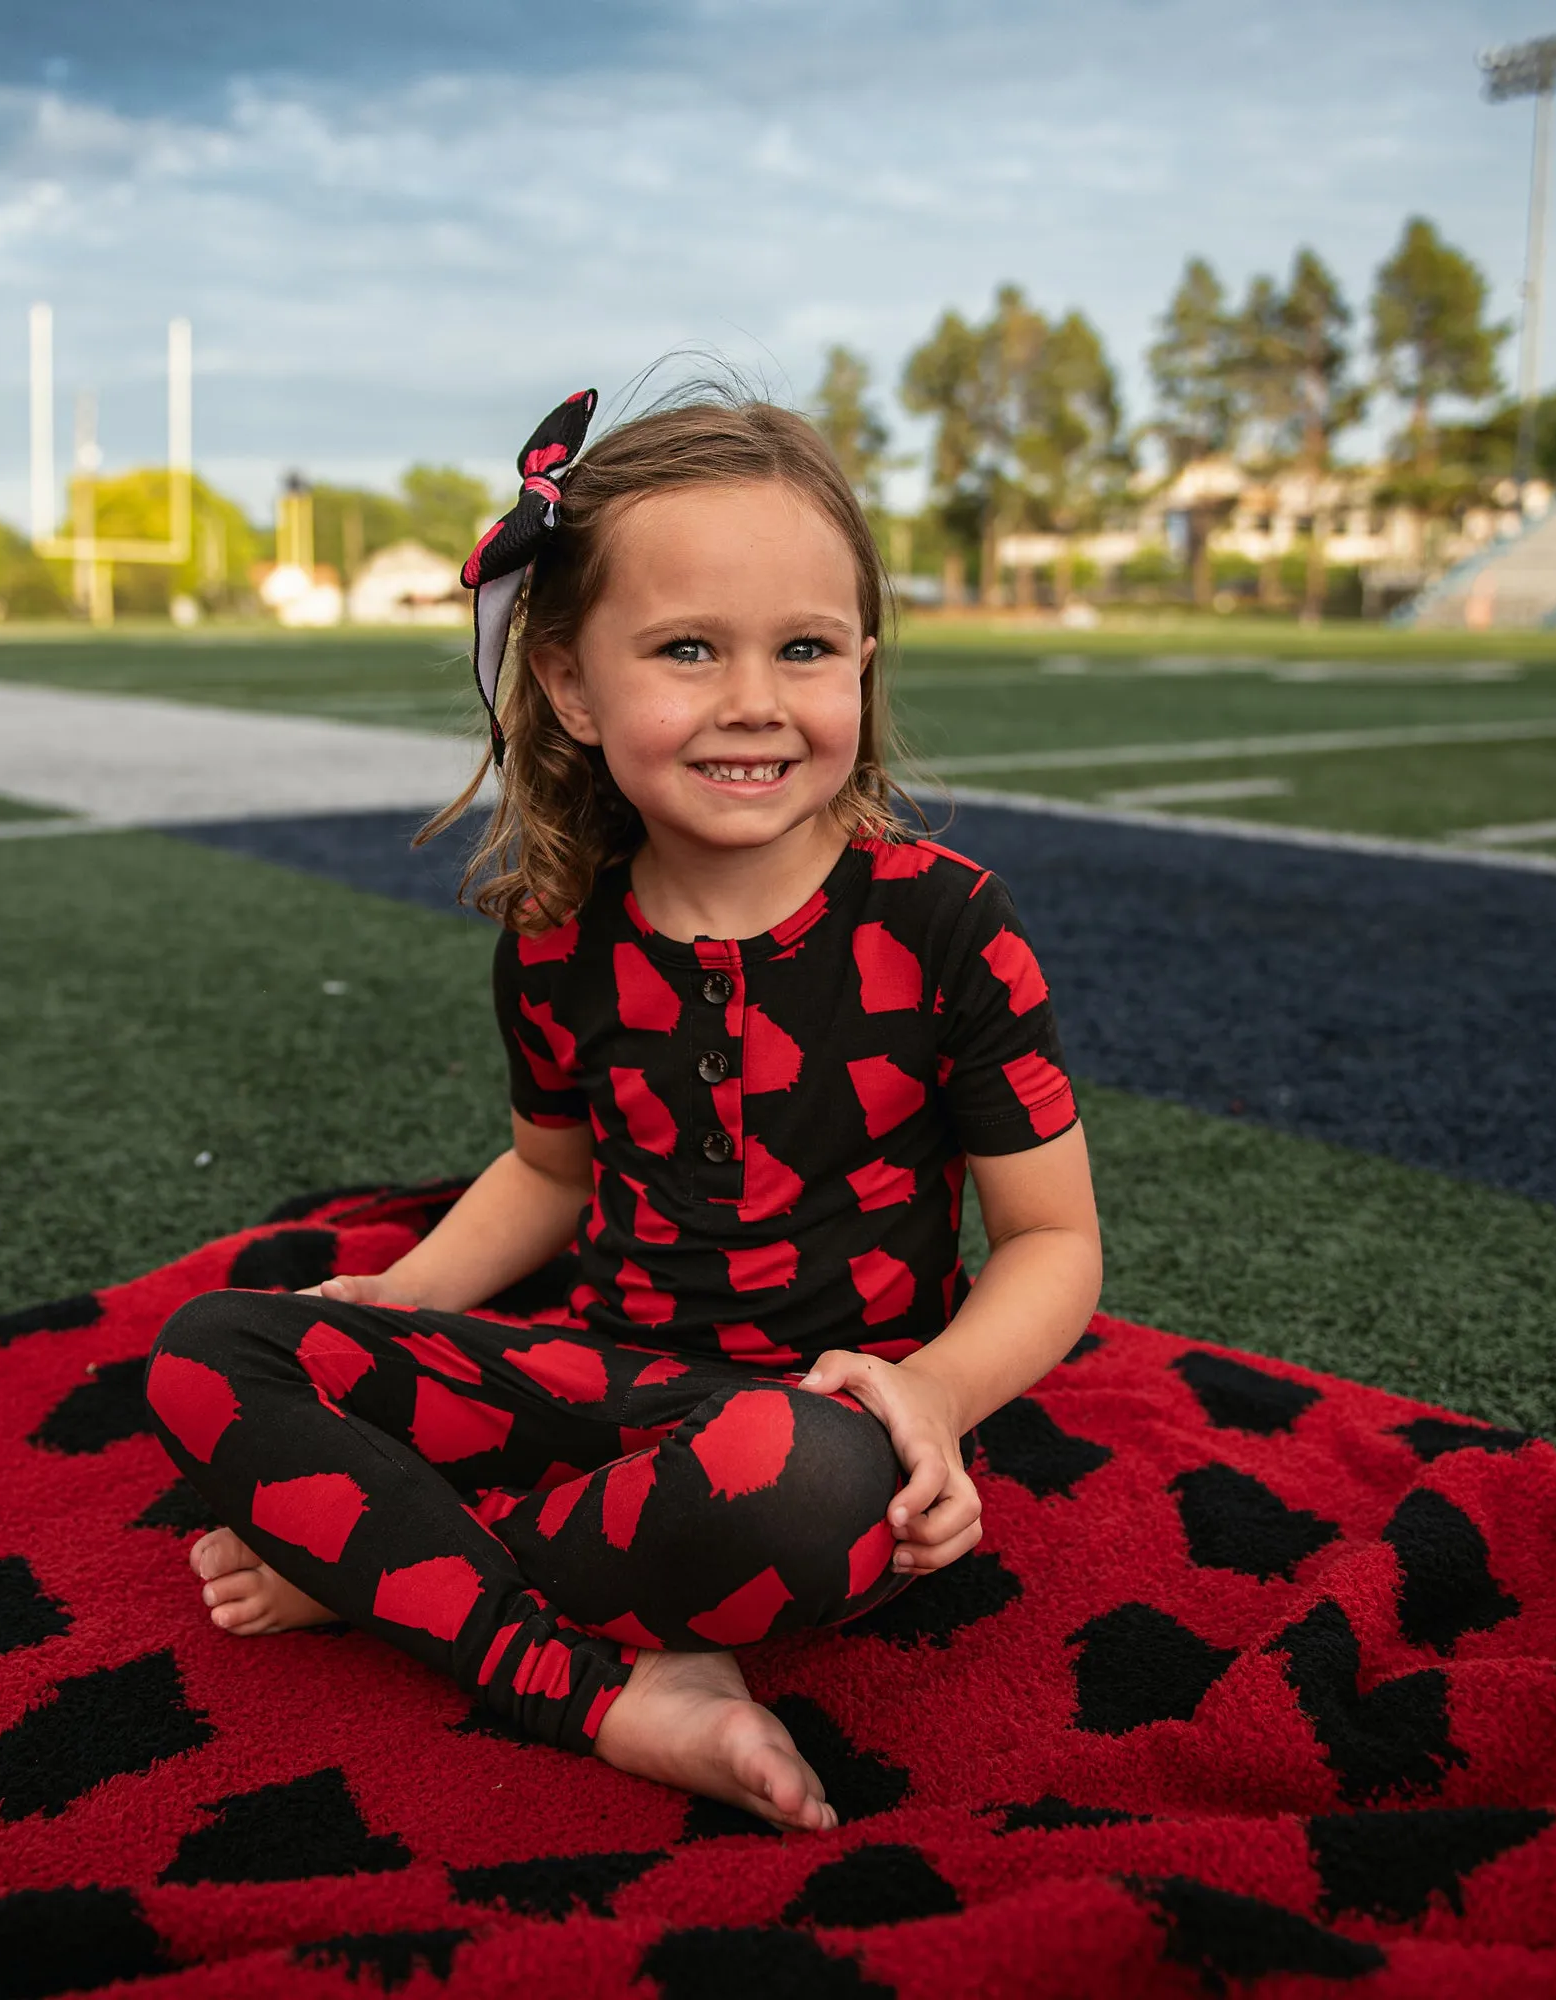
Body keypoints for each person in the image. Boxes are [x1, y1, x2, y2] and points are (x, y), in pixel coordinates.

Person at [144, 389, 1103, 1834]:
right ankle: (596, 1679)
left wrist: (939, 1395)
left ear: (864, 662)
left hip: (817, 1425)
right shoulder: (553, 931)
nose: (755, 702)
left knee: (796, 1493)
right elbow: (547, 1173)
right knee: (208, 1352)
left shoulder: (950, 923)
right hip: (596, 1393)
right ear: (574, 685)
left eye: (805, 649)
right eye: (686, 650)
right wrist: (400, 1303)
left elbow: (1052, 1241)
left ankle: (394, 1571)